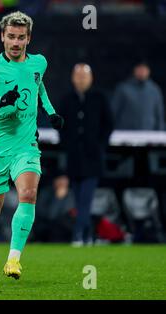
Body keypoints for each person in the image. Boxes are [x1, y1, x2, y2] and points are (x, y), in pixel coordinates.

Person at [0, 11, 64, 280]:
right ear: (2, 37)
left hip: (27, 145)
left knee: (28, 194)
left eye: (21, 37)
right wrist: (0, 102)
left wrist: (50, 112)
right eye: (11, 37)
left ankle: (13, 260)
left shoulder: (39, 63)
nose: (15, 42)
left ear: (28, 38)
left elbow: (39, 88)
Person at [57, 63, 113, 246]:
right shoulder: (67, 99)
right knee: (78, 196)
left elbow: (108, 124)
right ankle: (87, 234)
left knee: (86, 198)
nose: (81, 79)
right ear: (73, 78)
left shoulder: (100, 98)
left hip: (93, 158)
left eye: (84, 76)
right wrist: (67, 143)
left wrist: (99, 145)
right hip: (74, 159)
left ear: (91, 78)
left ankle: (79, 234)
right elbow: (60, 124)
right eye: (78, 76)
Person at [111, 59, 164, 130]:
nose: (142, 72)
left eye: (144, 69)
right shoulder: (123, 89)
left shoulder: (154, 90)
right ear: (134, 70)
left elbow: (159, 114)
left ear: (148, 71)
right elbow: (114, 112)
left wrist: (160, 132)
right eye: (140, 69)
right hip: (126, 133)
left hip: (148, 133)